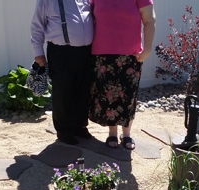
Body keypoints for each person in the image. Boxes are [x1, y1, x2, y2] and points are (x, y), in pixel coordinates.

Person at [89, 0, 156, 150]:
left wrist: (147, 49)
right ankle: (112, 132)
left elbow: (150, 20)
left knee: (128, 95)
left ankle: (126, 134)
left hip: (131, 55)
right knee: (108, 95)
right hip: (101, 53)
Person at [30, 0, 94, 145]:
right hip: (61, 52)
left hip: (85, 51)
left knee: (82, 89)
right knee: (63, 91)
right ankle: (64, 130)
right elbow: (37, 25)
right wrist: (38, 52)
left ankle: (79, 126)